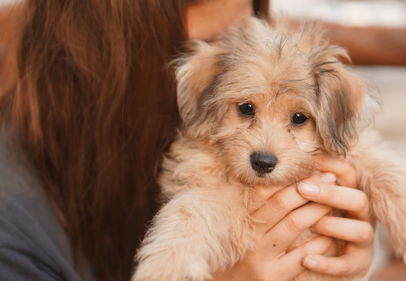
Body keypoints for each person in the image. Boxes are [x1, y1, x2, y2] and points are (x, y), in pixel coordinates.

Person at [0, 0, 375, 280]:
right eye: (207, 45)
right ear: (94, 51)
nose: (216, 71)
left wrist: (400, 268)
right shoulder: (13, 223)